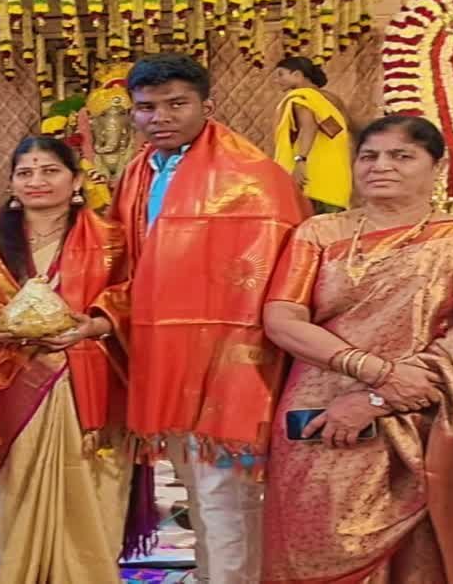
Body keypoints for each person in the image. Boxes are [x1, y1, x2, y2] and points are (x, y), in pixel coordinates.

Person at [261, 115, 453, 583]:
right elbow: (282, 318)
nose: (380, 166)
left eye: (401, 156)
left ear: (437, 167)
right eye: (369, 156)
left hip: (423, 417)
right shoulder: (319, 233)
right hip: (319, 417)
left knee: (424, 556)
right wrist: (377, 372)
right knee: (310, 542)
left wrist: (378, 399)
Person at [106, 53, 307, 583]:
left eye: (177, 104)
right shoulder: (138, 172)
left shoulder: (254, 176)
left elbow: (285, 269)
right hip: (162, 353)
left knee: (225, 496)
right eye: (147, 107)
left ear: (207, 106)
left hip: (232, 358)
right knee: (198, 490)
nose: (160, 118)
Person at [0, 136, 150, 582]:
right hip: (13, 385)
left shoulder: (112, 240)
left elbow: (139, 299)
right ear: (12, 183)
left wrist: (95, 325)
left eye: (50, 170)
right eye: (25, 173)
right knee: (21, 490)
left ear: (76, 180)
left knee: (93, 492)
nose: (37, 181)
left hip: (92, 387)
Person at [271, 56, 353, 213]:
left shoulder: (301, 97)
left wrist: (300, 161)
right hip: (336, 177)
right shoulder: (333, 99)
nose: (276, 80)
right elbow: (345, 128)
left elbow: (308, 127)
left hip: (308, 177)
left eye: (281, 74)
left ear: (297, 75)